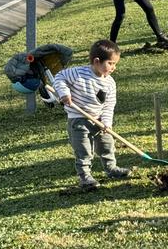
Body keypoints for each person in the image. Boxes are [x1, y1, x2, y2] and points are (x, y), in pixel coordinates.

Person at [53, 39, 131, 190]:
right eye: (111, 63)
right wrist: (64, 93)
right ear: (97, 61)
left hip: (99, 120)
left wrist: (107, 122)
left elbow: (109, 104)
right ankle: (85, 177)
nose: (113, 68)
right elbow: (59, 77)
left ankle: (111, 168)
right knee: (84, 150)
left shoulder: (110, 83)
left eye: (115, 64)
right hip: (78, 119)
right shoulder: (78, 73)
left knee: (107, 145)